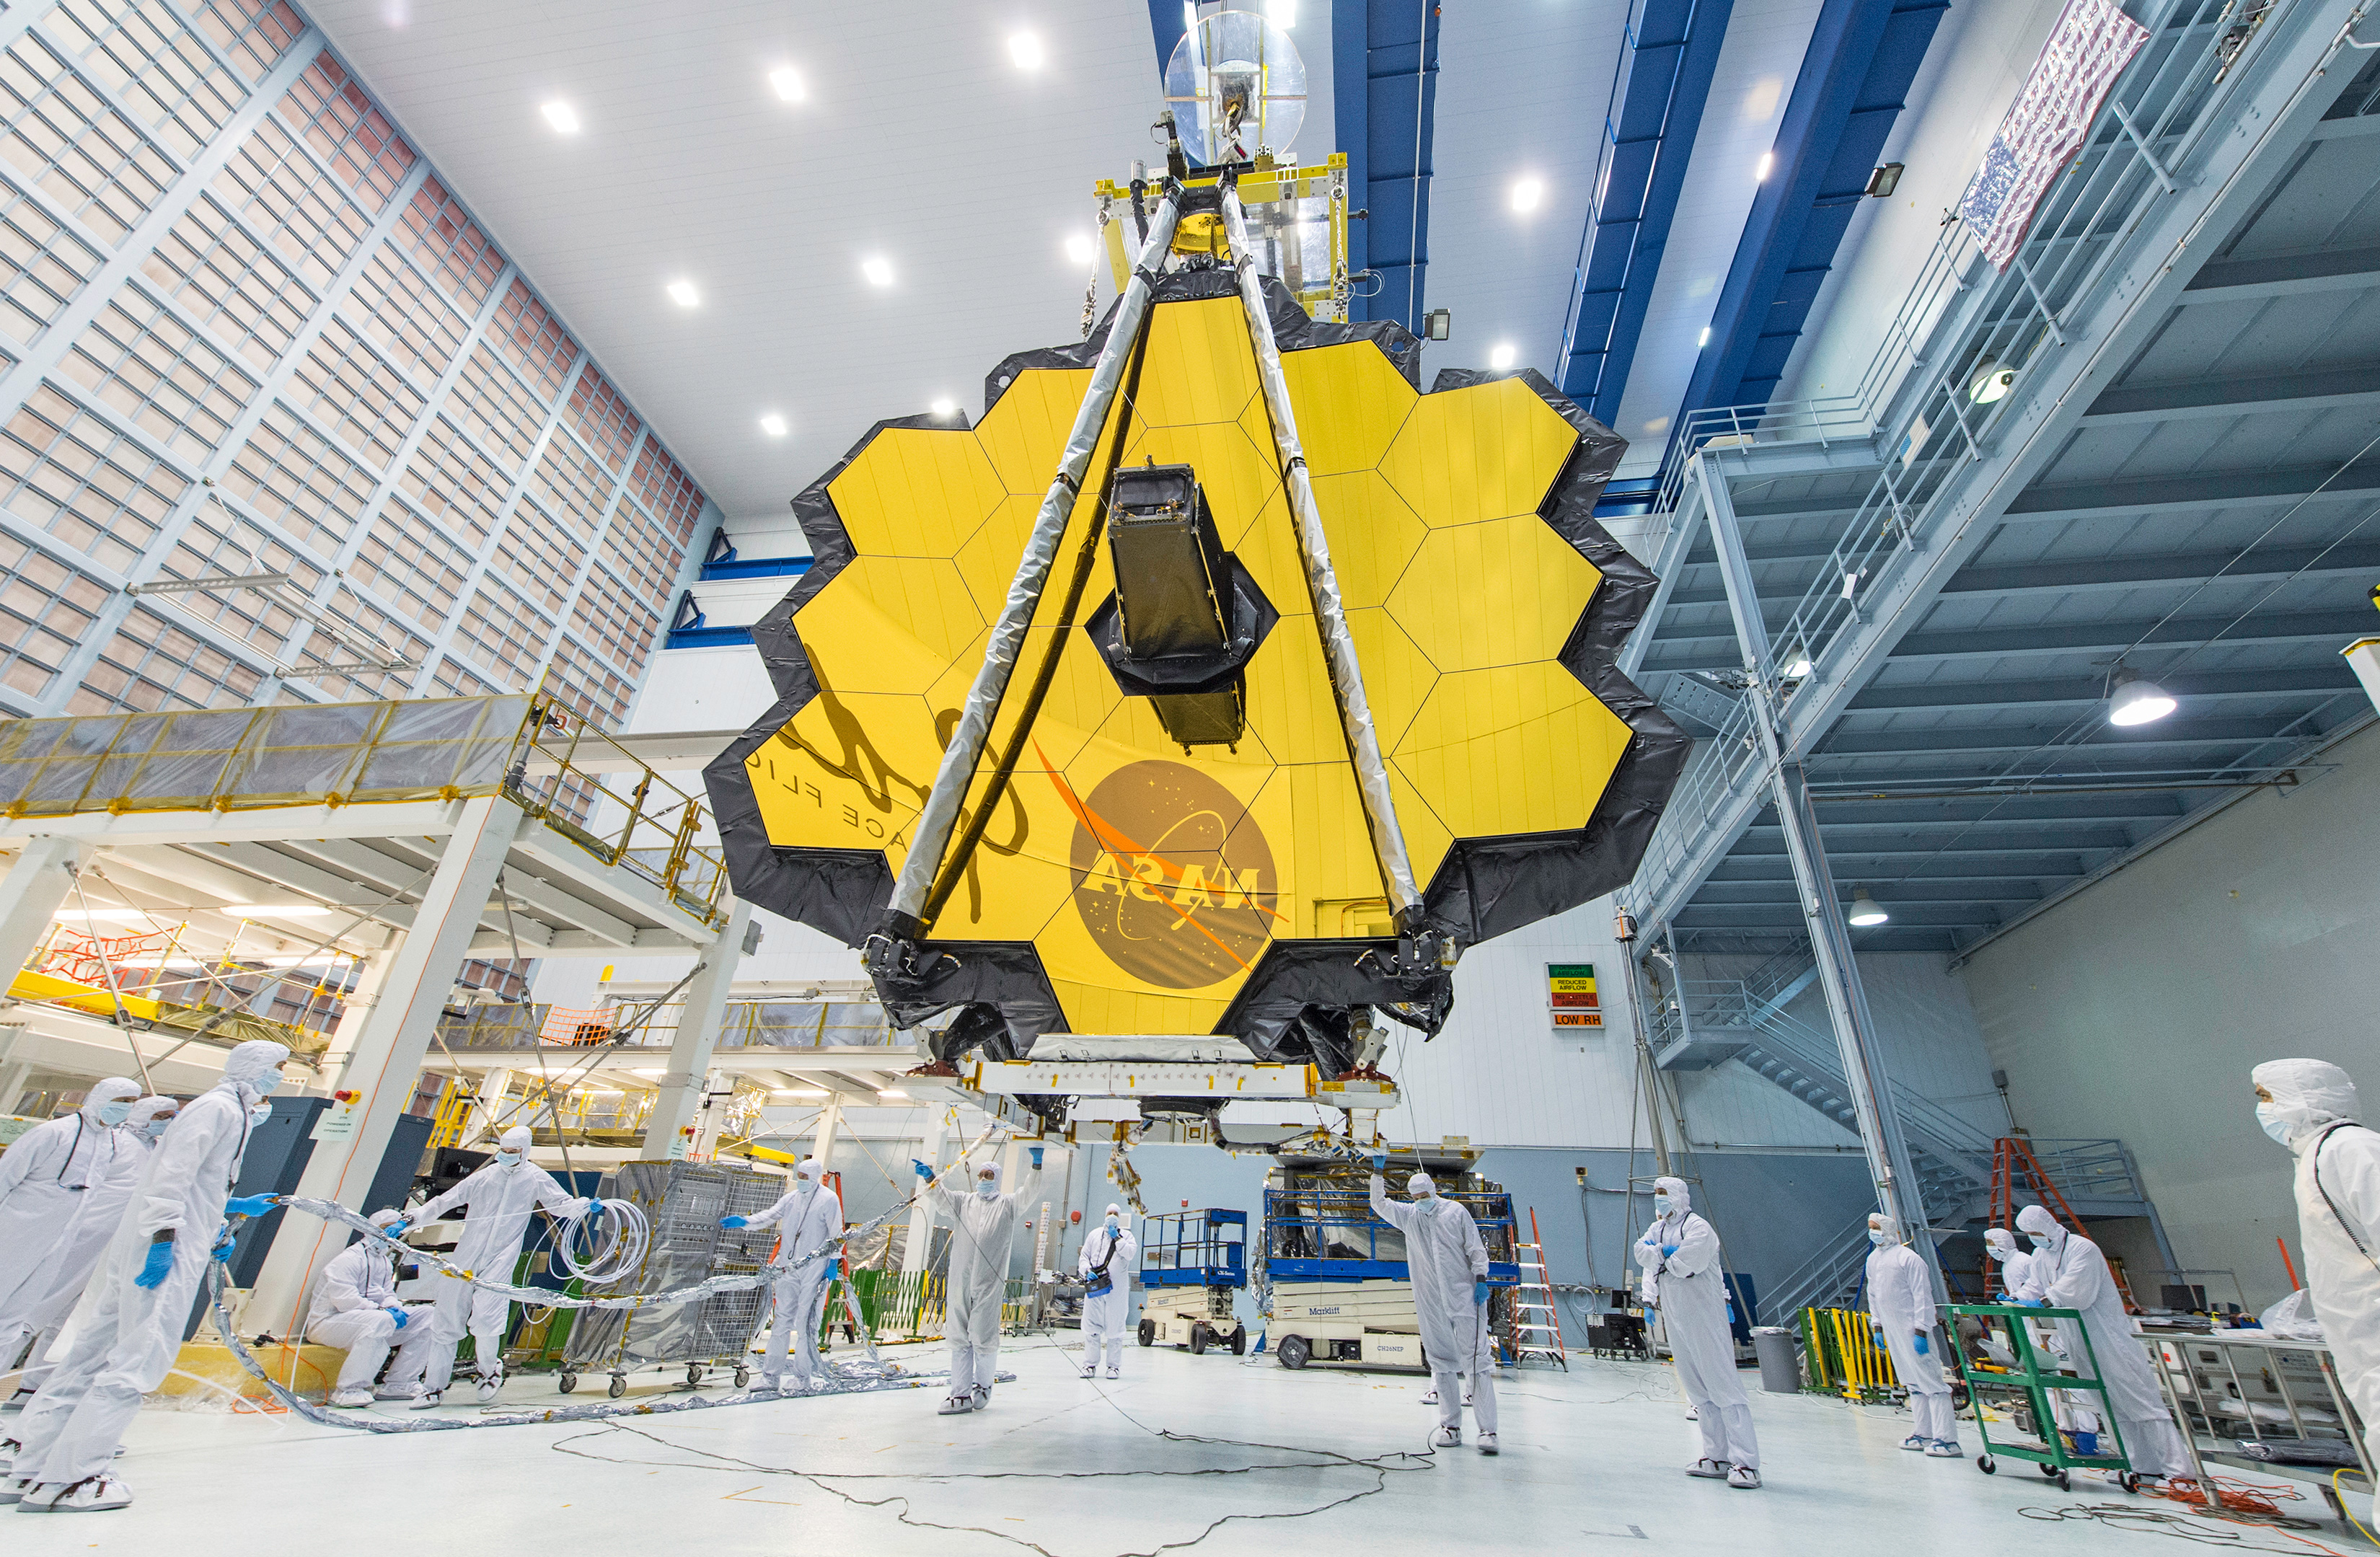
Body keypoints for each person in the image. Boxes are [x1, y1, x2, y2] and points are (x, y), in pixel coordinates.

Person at [2, 1041, 289, 1512]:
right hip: (164, 1252)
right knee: (139, 1360)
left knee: (89, 1357)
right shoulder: (218, 1110)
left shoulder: (224, 1112)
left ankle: (31, 1467)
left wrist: (218, 1220)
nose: (279, 1076)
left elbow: (193, 1184)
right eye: (278, 1067)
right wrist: (166, 1240)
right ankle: (74, 1478)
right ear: (257, 1068)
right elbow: (169, 1181)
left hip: (156, 1244)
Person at [379, 1124, 594, 1408]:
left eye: (513, 1152)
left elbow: (561, 1204)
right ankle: (433, 1388)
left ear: (525, 1151)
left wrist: (585, 1206)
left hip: (501, 1258)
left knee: (488, 1320)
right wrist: (409, 1220)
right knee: (446, 1319)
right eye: (503, 1151)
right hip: (467, 1255)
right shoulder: (485, 1177)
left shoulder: (534, 1178)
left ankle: (489, 1371)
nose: (506, 1155)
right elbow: (445, 1201)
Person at [2253, 1058, 2380, 1521]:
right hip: (2362, 1342)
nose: (2262, 1112)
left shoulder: (2352, 1149)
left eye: (2266, 1098)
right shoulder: (2316, 1158)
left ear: (2306, 1098)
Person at [5, 1098, 178, 1406]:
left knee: (69, 1321)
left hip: (110, 1247)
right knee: (31, 1313)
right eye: (160, 1116)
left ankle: (33, 1389)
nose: (165, 1121)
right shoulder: (115, 1142)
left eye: (169, 1116)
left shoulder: (154, 1151)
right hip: (79, 1240)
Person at [2014, 1202, 2190, 1479]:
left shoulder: (2082, 1249)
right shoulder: (2040, 1255)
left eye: (2035, 1231)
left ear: (2047, 1226)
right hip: (2078, 1339)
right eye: (2028, 1234)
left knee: (2140, 1402)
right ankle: (2139, 1465)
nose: (2034, 1237)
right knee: (2109, 1404)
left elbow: (2075, 1292)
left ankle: (2180, 1472)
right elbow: (2034, 1286)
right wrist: (2017, 1299)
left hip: (2108, 1339)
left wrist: (2044, 1300)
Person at [0, 1079, 144, 1375]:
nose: (126, 1108)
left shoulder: (109, 1143)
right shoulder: (53, 1133)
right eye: (122, 1100)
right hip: (14, 1236)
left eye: (132, 1102)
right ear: (101, 1097)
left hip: (55, 1245)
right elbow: (6, 1177)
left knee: (12, 1324)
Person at [1634, 1175, 1759, 1488]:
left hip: (1704, 1315)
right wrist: (1666, 1253)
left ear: (1677, 1195)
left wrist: (1660, 1255)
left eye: (1663, 1193)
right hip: (1675, 1315)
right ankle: (1716, 1457)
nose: (1658, 1198)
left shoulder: (1699, 1227)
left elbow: (1686, 1265)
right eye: (1656, 1193)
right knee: (1698, 1389)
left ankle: (1746, 1463)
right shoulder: (1659, 1228)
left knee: (1723, 1386)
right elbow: (1641, 1253)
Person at [1370, 1159, 1499, 1454]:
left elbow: (1476, 1249)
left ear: (1433, 1191)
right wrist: (1378, 1172)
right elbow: (1379, 1203)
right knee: (1441, 1362)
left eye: (1423, 1197)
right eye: (1415, 1199)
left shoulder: (1456, 1213)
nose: (1420, 1203)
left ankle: (1488, 1431)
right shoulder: (1409, 1216)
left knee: (1477, 1362)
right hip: (1431, 1300)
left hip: (1466, 1296)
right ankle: (1450, 1426)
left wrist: (1480, 1279)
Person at [914, 1147, 1041, 1414]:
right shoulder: (964, 1202)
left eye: (989, 1175)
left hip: (988, 1282)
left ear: (996, 1178)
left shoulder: (1007, 1205)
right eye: (981, 1174)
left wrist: (1037, 1166)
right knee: (959, 1336)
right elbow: (942, 1197)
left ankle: (983, 1387)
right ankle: (959, 1395)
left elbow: (1028, 1194)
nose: (984, 1178)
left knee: (983, 1337)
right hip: (961, 1279)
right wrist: (931, 1179)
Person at [722, 1157, 843, 1393]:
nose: (802, 1181)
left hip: (814, 1270)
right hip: (788, 1268)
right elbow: (770, 1215)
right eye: (800, 1176)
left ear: (816, 1177)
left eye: (806, 1177)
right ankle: (770, 1377)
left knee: (807, 1325)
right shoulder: (791, 1199)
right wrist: (745, 1221)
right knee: (780, 1324)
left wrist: (832, 1262)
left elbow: (836, 1234)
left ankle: (802, 1378)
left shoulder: (829, 1200)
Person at [1864, 1212, 1957, 1456]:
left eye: (1875, 1227)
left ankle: (1947, 1439)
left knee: (1932, 1383)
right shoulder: (1873, 1259)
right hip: (1892, 1329)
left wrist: (1922, 1330)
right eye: (1870, 1228)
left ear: (1887, 1229)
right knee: (1913, 1383)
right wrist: (1878, 1327)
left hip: (1913, 1329)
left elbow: (1922, 1296)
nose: (1872, 1232)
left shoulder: (1909, 1258)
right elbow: (1873, 1294)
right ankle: (1923, 1433)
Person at [304, 1210, 414, 1408]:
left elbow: (387, 1293)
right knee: (381, 1320)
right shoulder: (348, 1259)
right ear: (369, 1229)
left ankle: (399, 1384)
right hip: (328, 1324)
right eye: (385, 1229)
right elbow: (345, 1302)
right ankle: (348, 1390)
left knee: (429, 1318)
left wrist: (394, 1307)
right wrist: (382, 1311)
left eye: (394, 1231)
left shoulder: (384, 1262)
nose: (391, 1235)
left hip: (367, 1323)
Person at [1077, 1204, 1137, 1380]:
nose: (1112, 1216)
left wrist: (1117, 1238)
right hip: (1095, 1287)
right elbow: (1084, 1257)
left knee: (1115, 1328)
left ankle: (1113, 1367)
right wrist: (1087, 1271)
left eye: (1115, 1214)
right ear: (1105, 1215)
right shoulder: (1094, 1235)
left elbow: (1130, 1253)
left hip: (1116, 1291)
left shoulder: (1127, 1236)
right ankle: (1089, 1365)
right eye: (1109, 1213)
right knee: (1091, 1327)